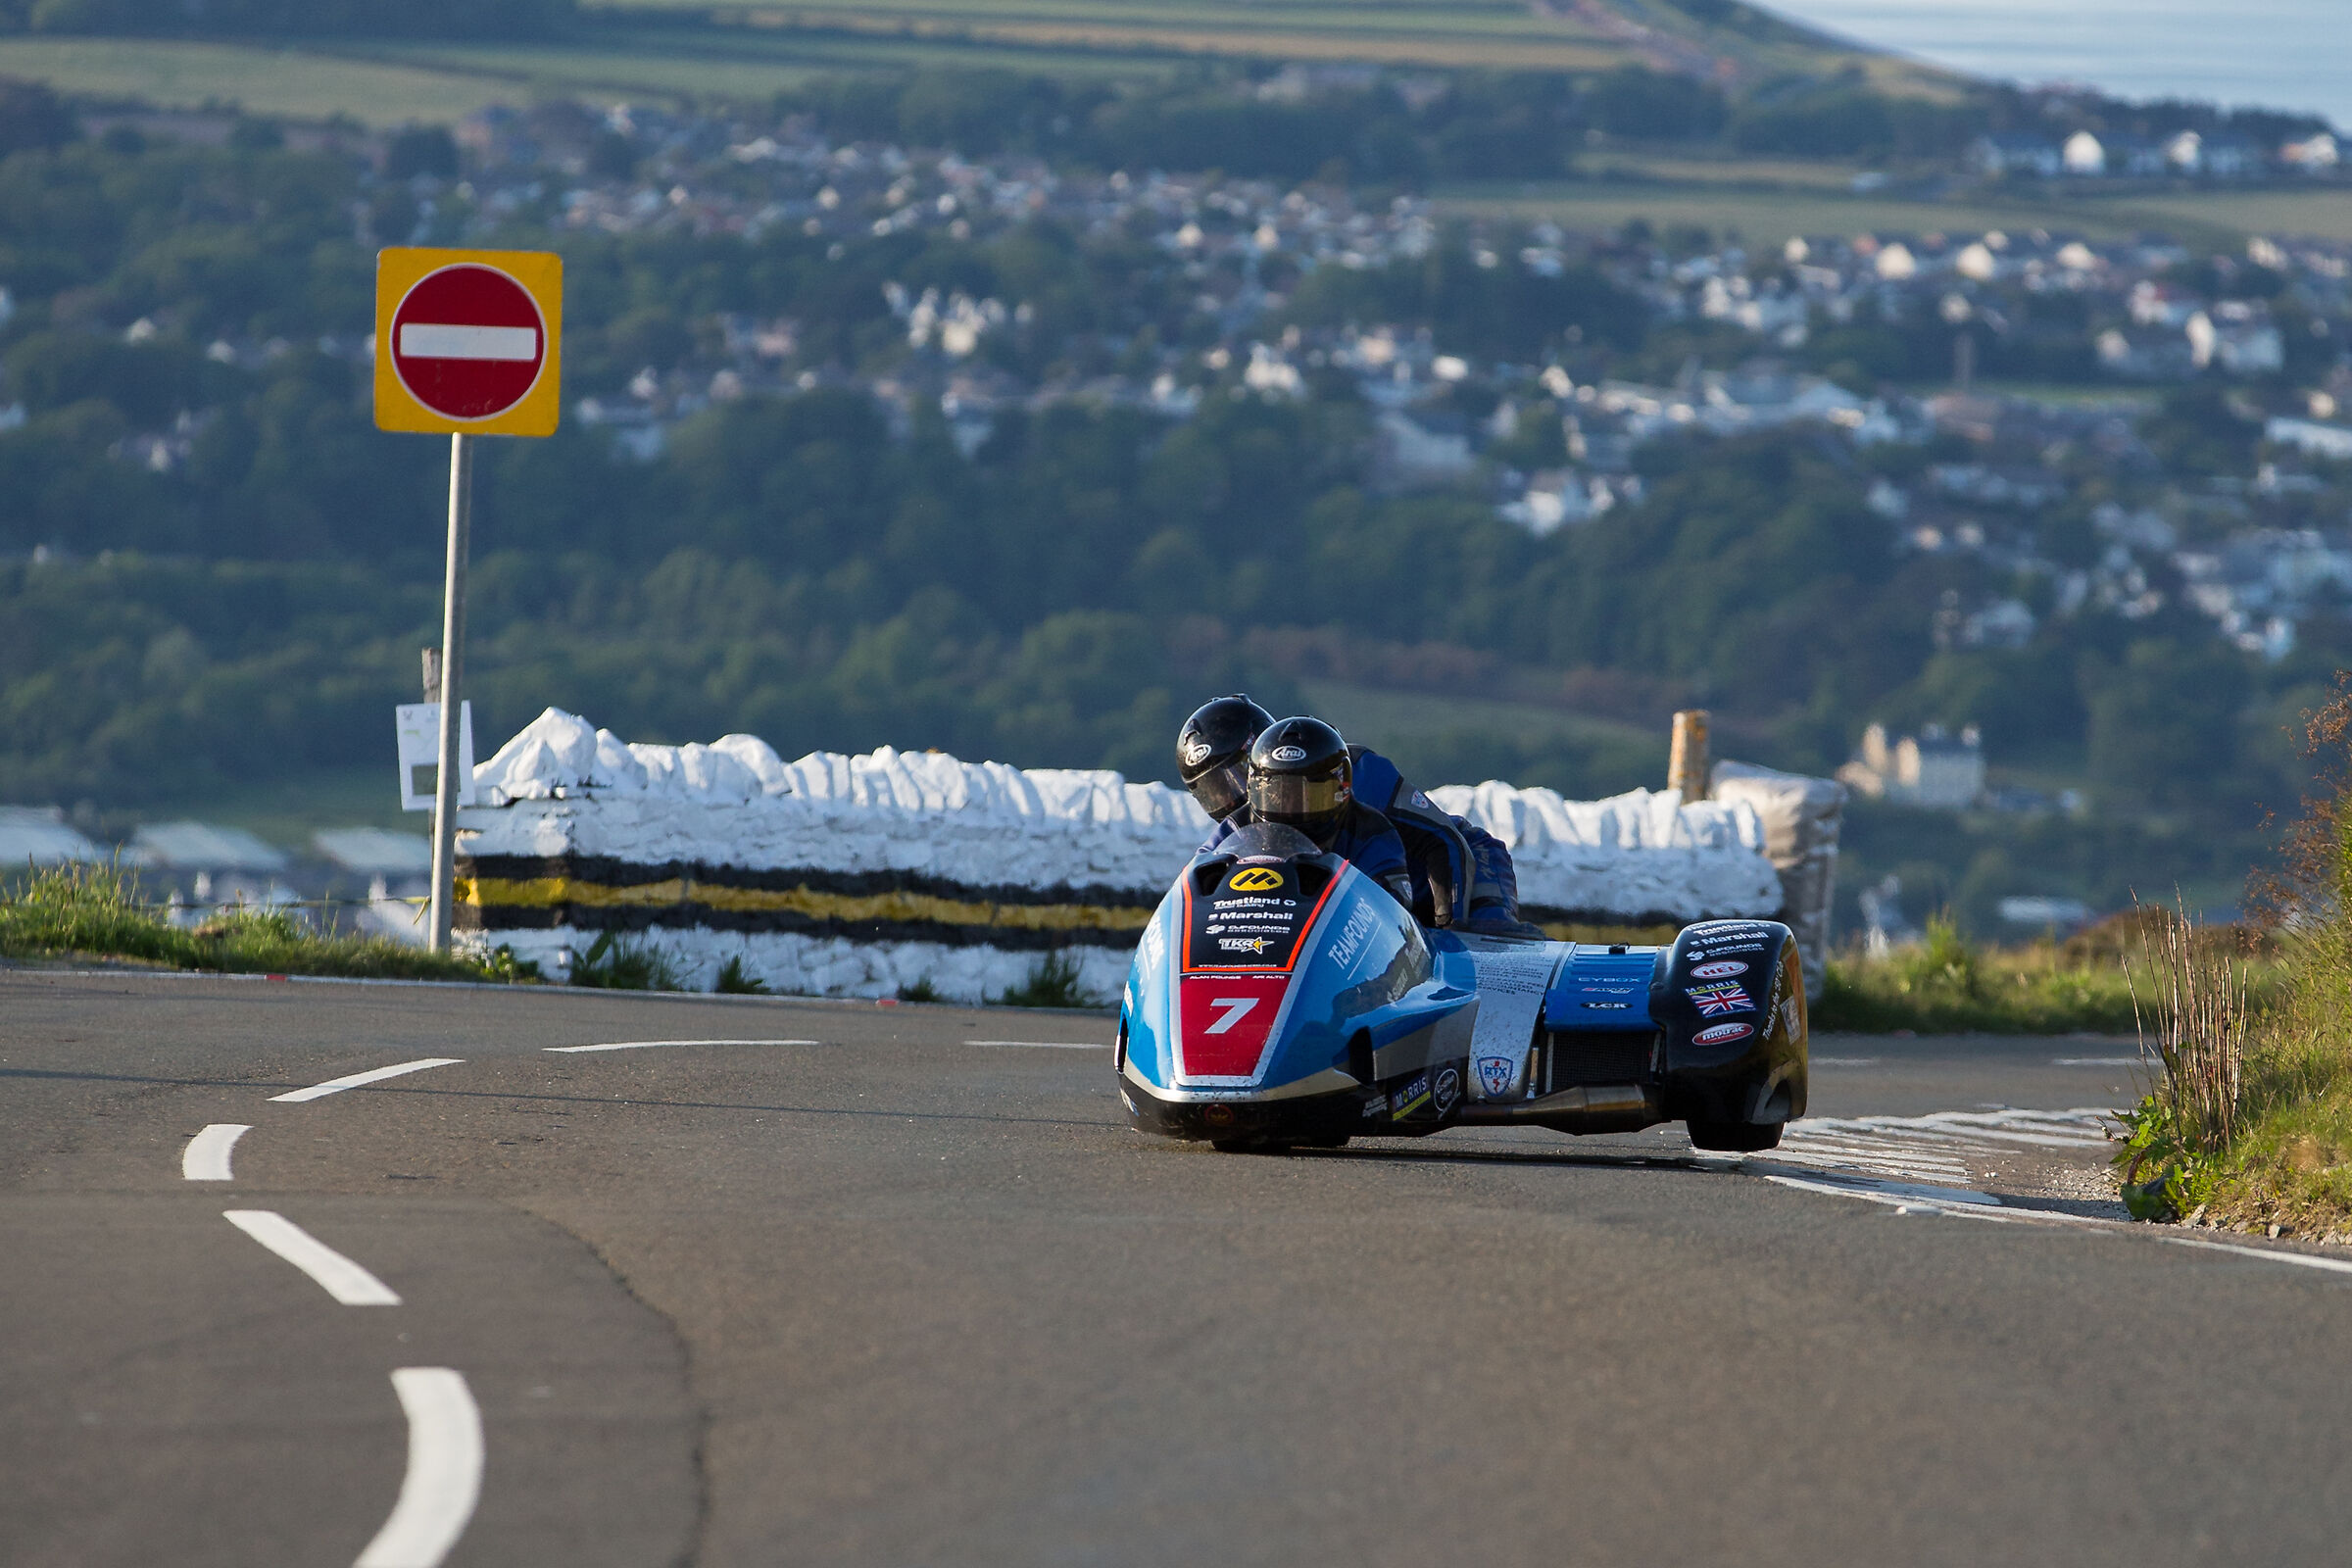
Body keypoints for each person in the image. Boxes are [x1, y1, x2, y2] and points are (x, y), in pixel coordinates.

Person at [1176, 696, 1537, 934]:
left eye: (1237, 773)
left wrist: (1450, 928)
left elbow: (1443, 839)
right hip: (1377, 897)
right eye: (1214, 790)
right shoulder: (1241, 825)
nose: (1233, 794)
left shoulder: (1353, 770)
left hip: (1456, 867)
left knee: (1482, 951)